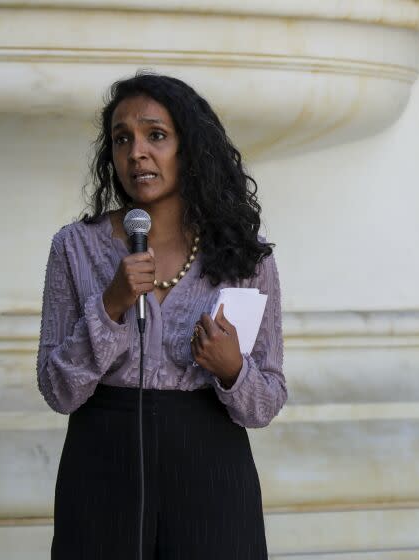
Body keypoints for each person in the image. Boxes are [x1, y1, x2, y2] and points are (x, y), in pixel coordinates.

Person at [36, 72, 286, 559]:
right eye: (121, 139)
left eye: (156, 135)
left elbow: (267, 402)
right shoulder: (74, 247)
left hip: (211, 468)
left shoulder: (246, 258)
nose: (136, 153)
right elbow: (57, 390)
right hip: (102, 463)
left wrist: (233, 369)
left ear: (189, 148)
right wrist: (111, 305)